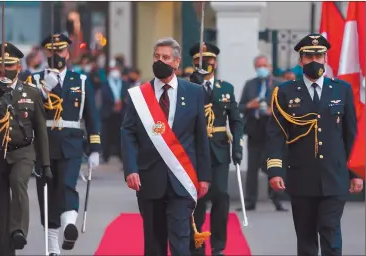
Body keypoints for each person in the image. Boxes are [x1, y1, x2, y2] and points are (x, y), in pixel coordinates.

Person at [266, 33, 363, 256]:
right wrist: (275, 170)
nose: (314, 60)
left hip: (334, 175)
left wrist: (356, 172)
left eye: (319, 55)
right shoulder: (285, 92)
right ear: (300, 60)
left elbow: (351, 134)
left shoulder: (342, 89)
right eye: (309, 56)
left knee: (330, 231)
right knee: (306, 238)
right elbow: (276, 135)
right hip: (301, 176)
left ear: (326, 59)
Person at [121, 37, 211, 256]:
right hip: (149, 178)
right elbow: (128, 133)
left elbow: (201, 136)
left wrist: (205, 176)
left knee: (180, 241)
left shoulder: (194, 92)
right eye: (157, 56)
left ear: (177, 62)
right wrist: (131, 169)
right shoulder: (139, 95)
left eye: (166, 57)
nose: (160, 61)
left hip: (182, 178)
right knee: (154, 243)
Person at [0, 42, 52, 255]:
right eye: (1, 65)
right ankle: (4, 248)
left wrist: (45, 164)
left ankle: (18, 231)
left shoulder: (31, 92)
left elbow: (41, 130)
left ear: (18, 67)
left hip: (22, 152)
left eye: (10, 65)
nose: (5, 69)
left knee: (18, 182)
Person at [31, 33, 101, 255]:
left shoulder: (79, 81)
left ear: (67, 53)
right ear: (45, 53)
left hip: (71, 144)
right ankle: (53, 247)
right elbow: (25, 111)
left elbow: (92, 117)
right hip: (43, 144)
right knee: (48, 194)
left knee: (67, 185)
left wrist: (95, 149)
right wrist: (43, 90)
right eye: (52, 52)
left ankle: (70, 225)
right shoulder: (34, 80)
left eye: (60, 51)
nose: (56, 56)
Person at [188, 42, 243, 256]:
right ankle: (196, 243)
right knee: (197, 199)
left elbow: (236, 120)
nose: (205, 64)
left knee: (220, 194)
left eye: (208, 61)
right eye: (199, 62)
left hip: (219, 149)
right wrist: (195, 88)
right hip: (194, 151)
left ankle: (218, 246)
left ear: (215, 63)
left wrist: (238, 145)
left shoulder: (226, 88)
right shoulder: (187, 87)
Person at [237, 55, 287, 211]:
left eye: (264, 65)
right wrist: (250, 106)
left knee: (274, 165)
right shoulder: (250, 85)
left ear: (270, 66)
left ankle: (277, 199)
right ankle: (250, 201)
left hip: (273, 132)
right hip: (254, 129)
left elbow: (287, 109)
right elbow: (240, 107)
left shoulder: (279, 84)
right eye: (259, 66)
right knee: (252, 168)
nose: (262, 69)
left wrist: (274, 111)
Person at [101, 60, 129, 164]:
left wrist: (121, 102)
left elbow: (126, 95)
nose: (115, 71)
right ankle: (106, 154)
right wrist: (114, 103)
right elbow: (104, 95)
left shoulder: (125, 83)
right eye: (113, 69)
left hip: (121, 113)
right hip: (109, 113)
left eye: (116, 69)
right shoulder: (105, 83)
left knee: (121, 135)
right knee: (107, 134)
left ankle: (121, 155)